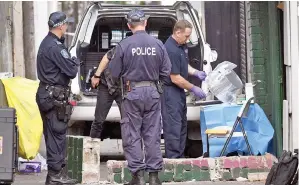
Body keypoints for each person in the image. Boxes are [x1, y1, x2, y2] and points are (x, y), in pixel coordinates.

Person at [108, 9, 171, 185]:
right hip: (152, 92)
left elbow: (113, 72)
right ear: (146, 23)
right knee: (152, 134)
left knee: (132, 133)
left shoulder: (124, 45)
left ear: (129, 25)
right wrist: (157, 87)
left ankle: (138, 176)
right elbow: (166, 72)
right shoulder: (158, 44)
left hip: (132, 92)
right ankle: (154, 176)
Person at [35, 11, 79, 185]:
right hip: (53, 96)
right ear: (61, 26)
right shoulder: (55, 47)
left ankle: (53, 176)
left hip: (47, 94)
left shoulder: (46, 43)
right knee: (57, 135)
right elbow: (72, 71)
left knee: (52, 134)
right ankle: (55, 175)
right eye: (66, 24)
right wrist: (74, 61)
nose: (66, 26)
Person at [162, 20, 207, 159]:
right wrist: (193, 88)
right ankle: (173, 161)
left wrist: (195, 72)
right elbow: (175, 78)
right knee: (173, 129)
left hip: (179, 92)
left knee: (181, 127)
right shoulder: (170, 49)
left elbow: (183, 65)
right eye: (186, 36)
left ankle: (180, 158)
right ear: (178, 32)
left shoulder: (180, 46)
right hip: (170, 92)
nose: (187, 39)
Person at [89, 32, 133, 139]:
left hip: (123, 88)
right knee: (98, 121)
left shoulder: (139, 52)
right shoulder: (120, 47)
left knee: (127, 121)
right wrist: (97, 75)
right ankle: (91, 149)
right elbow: (106, 57)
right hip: (106, 85)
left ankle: (131, 153)